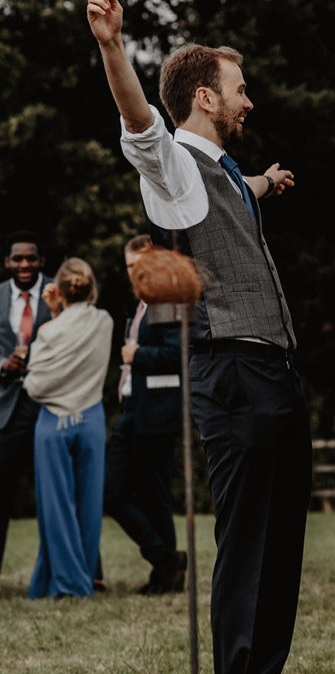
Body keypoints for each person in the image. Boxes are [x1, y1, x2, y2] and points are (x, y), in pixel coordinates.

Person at [87, 0, 309, 674]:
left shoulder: (217, 173)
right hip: (235, 372)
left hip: (274, 369)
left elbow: (228, 186)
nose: (249, 99)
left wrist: (264, 181)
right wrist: (115, 47)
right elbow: (142, 124)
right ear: (206, 97)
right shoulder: (174, 164)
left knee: (283, 536)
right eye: (239, 89)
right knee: (247, 539)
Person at [23, 258, 113, 599]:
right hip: (90, 417)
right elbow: (79, 339)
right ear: (91, 288)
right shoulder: (105, 321)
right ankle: (82, 577)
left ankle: (67, 584)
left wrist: (53, 315)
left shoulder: (49, 330)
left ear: (60, 291)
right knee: (89, 504)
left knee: (56, 506)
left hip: (52, 423)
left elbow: (34, 386)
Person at [105, 235, 185, 595]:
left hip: (157, 410)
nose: (135, 272)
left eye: (141, 264)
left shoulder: (165, 298)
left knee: (152, 493)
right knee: (115, 491)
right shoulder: (140, 304)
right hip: (135, 408)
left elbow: (179, 354)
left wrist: (136, 355)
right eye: (130, 267)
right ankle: (164, 558)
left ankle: (165, 571)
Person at [0, 230, 52, 575]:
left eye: (31, 258)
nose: (24, 264)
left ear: (41, 261)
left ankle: (79, 572)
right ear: (7, 262)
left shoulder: (58, 292)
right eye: (17, 258)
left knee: (57, 493)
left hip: (48, 403)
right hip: (5, 410)